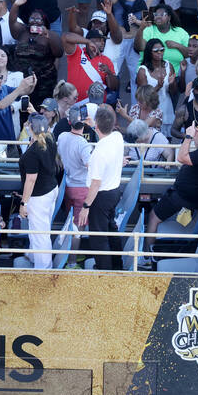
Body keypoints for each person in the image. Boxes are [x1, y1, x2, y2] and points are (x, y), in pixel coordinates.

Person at [140, 118, 198, 268]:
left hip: (181, 197)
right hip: (195, 197)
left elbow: (181, 157)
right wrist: (197, 138)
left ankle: (144, 258)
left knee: (153, 217)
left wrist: (188, 137)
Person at [77, 104, 123, 271]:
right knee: (111, 230)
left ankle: (104, 271)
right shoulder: (117, 137)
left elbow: (95, 184)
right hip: (114, 191)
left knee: (98, 237)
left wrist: (85, 206)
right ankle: (117, 266)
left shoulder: (98, 154)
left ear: (96, 126)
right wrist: (93, 125)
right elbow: (105, 134)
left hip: (101, 196)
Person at [18, 114, 58, 269]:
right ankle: (34, 258)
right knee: (41, 231)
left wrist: (24, 202)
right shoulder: (50, 139)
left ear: (29, 128)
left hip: (39, 197)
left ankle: (43, 271)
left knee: (40, 235)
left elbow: (31, 180)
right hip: (51, 190)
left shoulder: (33, 152)